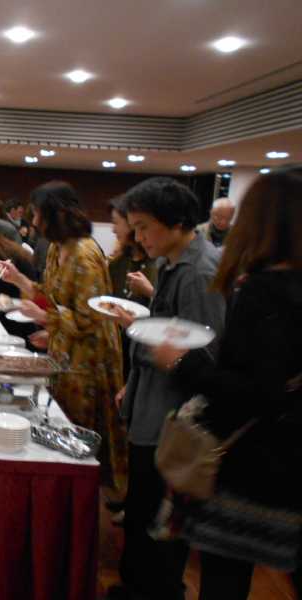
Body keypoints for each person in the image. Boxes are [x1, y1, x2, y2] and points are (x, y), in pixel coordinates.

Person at [151, 167, 302, 600]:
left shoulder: (264, 290)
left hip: (248, 462)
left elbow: (254, 391)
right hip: (286, 460)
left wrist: (182, 362)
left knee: (224, 580)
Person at [105, 177, 226, 600]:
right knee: (141, 509)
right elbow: (170, 330)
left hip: (172, 421)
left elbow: (206, 357)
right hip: (152, 405)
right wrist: (133, 381)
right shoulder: (172, 262)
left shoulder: (199, 272)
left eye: (143, 227)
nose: (137, 237)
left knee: (160, 520)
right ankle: (136, 586)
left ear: (176, 222)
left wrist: (161, 353)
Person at [0, 181, 126, 495]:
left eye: (37, 214)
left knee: (82, 432)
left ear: (56, 215)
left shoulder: (84, 255)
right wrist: (19, 280)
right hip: (66, 349)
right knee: (62, 422)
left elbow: (91, 317)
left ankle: (86, 495)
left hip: (89, 359)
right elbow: (50, 295)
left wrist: (46, 318)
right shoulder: (57, 247)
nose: (34, 222)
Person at [108, 195, 158, 378]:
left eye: (116, 223)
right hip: (118, 349)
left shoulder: (158, 263)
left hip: (146, 353)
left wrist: (149, 291)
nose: (113, 229)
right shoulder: (117, 263)